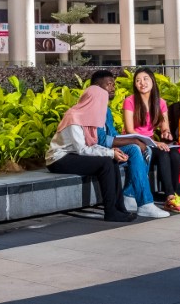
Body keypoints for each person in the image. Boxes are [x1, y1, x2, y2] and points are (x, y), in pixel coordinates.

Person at [46, 85, 136, 222]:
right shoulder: (74, 117)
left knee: (111, 160)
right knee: (107, 162)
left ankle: (120, 208)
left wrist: (111, 152)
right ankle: (111, 211)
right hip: (59, 158)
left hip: (74, 154)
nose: (103, 107)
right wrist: (109, 153)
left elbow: (92, 145)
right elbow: (82, 149)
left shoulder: (89, 119)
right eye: (101, 103)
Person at [91, 69, 170, 218]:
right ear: (97, 87)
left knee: (145, 150)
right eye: (109, 84)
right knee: (136, 148)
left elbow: (112, 135)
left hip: (108, 149)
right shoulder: (95, 108)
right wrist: (133, 140)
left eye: (114, 84)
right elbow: (101, 140)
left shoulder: (105, 109)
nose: (114, 88)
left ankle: (129, 195)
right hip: (94, 153)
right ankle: (145, 203)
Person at [122, 67, 180, 213]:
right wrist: (156, 143)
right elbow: (130, 130)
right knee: (163, 153)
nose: (142, 83)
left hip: (151, 143)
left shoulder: (160, 102)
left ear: (152, 81)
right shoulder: (130, 101)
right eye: (138, 80)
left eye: (145, 79)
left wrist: (166, 133)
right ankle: (170, 197)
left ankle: (172, 194)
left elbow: (166, 128)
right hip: (136, 143)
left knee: (175, 154)